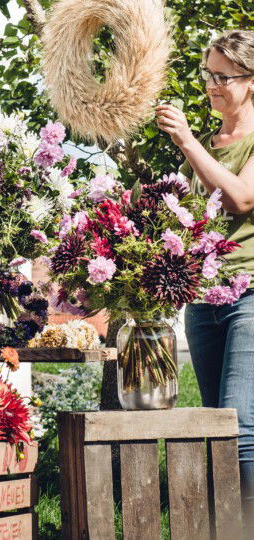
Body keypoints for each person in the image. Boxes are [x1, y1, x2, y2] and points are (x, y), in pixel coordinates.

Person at [156, 29, 254, 528]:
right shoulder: (210, 145)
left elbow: (242, 198)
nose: (212, 86)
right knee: (216, 424)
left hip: (250, 296)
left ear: (252, 80)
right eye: (208, 75)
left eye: (223, 77)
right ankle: (223, 528)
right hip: (203, 300)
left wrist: (188, 140)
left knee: (240, 426)